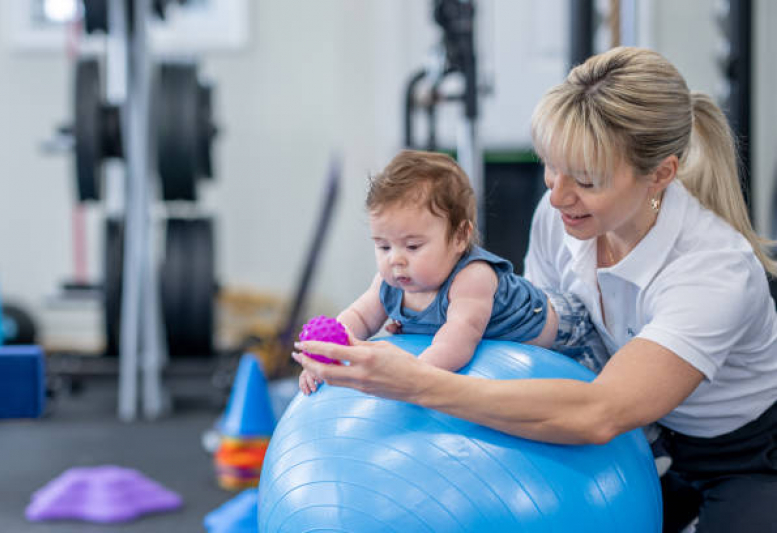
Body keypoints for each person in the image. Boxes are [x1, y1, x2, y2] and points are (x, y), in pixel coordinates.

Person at [294, 47, 777, 533]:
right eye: (551, 165)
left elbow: (600, 412)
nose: (557, 195)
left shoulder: (714, 269)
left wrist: (415, 382)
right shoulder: (562, 217)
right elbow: (536, 350)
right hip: (639, 442)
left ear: (661, 174)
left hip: (743, 455)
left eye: (585, 179)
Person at [299, 149, 559, 395]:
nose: (396, 259)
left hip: (565, 334)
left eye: (412, 246)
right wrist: (327, 358)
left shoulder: (472, 278)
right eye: (383, 246)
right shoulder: (389, 283)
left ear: (459, 237)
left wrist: (410, 375)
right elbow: (360, 317)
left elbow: (458, 340)